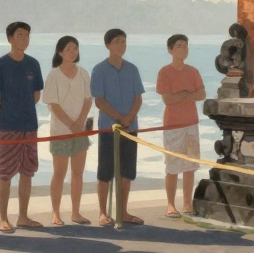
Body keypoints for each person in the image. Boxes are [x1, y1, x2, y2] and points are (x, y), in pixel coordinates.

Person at [0, 21, 45, 233]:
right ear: (10, 38)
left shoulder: (33, 64)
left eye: (27, 35)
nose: (24, 39)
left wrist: (23, 111)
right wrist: (5, 117)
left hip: (30, 126)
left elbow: (36, 94)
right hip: (8, 127)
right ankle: (3, 218)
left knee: (27, 172)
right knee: (5, 173)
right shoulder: (0, 64)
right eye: (20, 35)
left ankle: (23, 216)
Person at [92, 28, 144, 226]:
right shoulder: (99, 69)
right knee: (105, 171)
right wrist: (119, 117)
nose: (121, 45)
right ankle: (103, 213)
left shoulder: (132, 69)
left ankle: (123, 212)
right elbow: (99, 101)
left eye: (123, 41)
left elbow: (138, 98)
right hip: (108, 127)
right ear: (108, 45)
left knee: (127, 171)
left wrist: (129, 118)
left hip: (130, 128)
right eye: (117, 42)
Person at [42, 36, 92, 226]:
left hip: (81, 131)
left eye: (75, 48)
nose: (72, 52)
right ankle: (56, 213)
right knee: (59, 173)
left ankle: (76, 212)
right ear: (60, 52)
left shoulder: (83, 73)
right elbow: (53, 105)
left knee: (78, 173)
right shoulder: (53, 75)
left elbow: (88, 100)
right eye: (68, 49)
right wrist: (71, 124)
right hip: (60, 132)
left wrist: (79, 122)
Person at [156, 34, 205, 218]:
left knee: (190, 165)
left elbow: (202, 94)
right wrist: (188, 94)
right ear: (170, 50)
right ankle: (170, 204)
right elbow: (167, 99)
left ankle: (187, 203)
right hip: (173, 125)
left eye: (185, 46)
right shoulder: (164, 72)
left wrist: (182, 95)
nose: (183, 49)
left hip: (191, 123)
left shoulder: (193, 71)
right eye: (179, 46)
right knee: (172, 165)